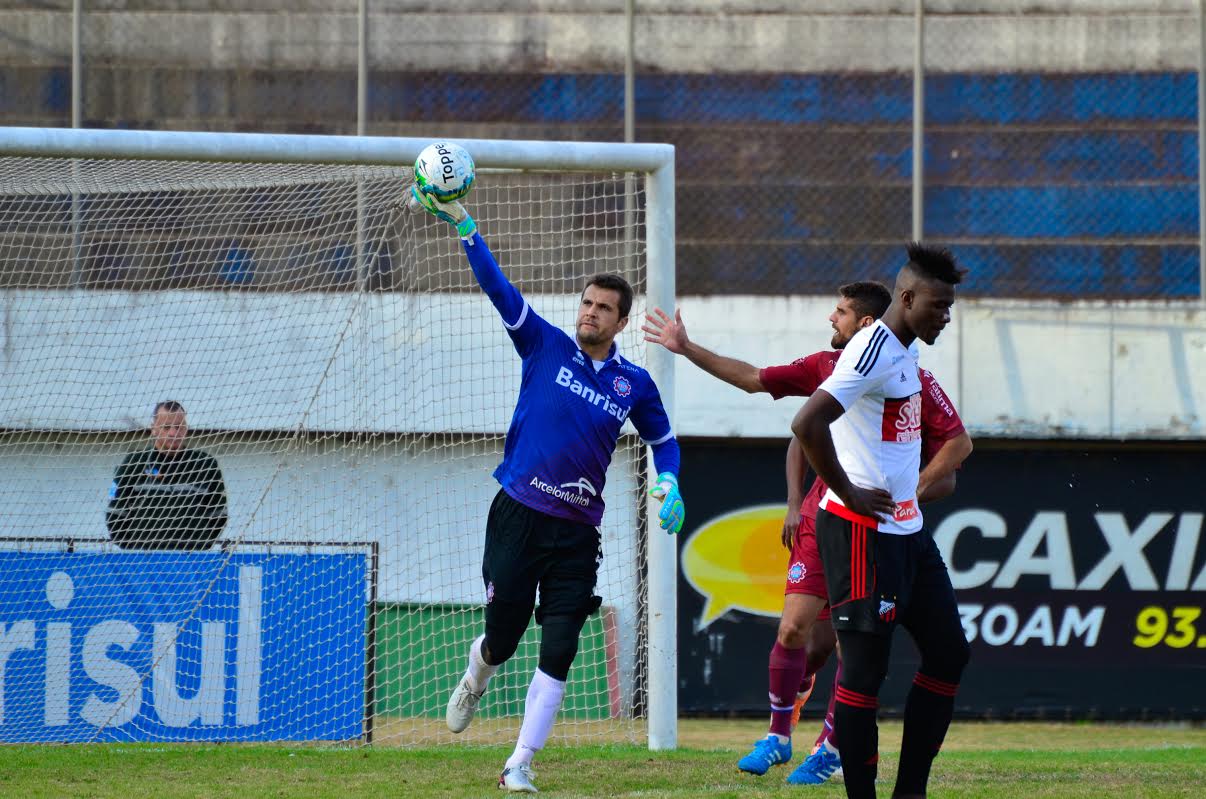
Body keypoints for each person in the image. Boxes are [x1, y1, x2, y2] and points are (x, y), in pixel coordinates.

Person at [409, 182, 684, 793]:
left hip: (576, 534)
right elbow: (498, 288)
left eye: (603, 307)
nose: (589, 312)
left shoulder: (634, 383)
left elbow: (663, 440)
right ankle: (478, 670)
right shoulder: (542, 344)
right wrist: (465, 227)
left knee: (560, 645)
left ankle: (519, 764)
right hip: (517, 515)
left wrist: (671, 483)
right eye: (586, 302)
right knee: (505, 639)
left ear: (621, 319)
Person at [642, 281, 971, 785]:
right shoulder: (827, 366)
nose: (830, 319)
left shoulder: (911, 376)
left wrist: (914, 490)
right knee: (798, 630)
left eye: (839, 312)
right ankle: (778, 735)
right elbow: (791, 420)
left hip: (881, 529)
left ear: (866, 323)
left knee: (851, 651)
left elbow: (955, 453)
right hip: (831, 521)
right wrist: (797, 501)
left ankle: (831, 747)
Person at [792, 243, 971, 799]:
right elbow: (807, 423)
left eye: (950, 306)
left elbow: (952, 443)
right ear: (908, 298)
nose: (945, 316)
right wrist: (845, 489)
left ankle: (910, 791)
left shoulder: (905, 352)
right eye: (938, 306)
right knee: (864, 676)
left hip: (906, 532)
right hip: (859, 533)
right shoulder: (871, 349)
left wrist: (914, 490)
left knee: (949, 653)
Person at [105, 400, 228, 551]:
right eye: (166, 427)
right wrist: (131, 548)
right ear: (153, 429)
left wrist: (201, 545)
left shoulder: (205, 464)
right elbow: (115, 512)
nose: (173, 433)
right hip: (142, 560)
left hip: (192, 560)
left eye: (178, 427)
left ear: (186, 428)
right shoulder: (134, 463)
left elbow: (219, 514)